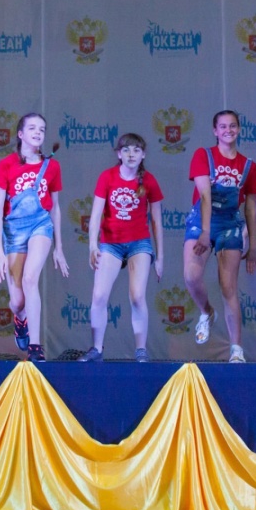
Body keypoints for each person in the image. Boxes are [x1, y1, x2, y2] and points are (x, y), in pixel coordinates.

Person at [78, 133, 164, 363]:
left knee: (137, 296)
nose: (131, 154)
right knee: (99, 295)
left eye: (136, 150)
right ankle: (97, 349)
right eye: (126, 150)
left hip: (139, 243)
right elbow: (95, 215)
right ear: (118, 154)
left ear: (143, 154)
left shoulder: (149, 181)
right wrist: (93, 245)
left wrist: (160, 257)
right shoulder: (107, 177)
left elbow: (157, 221)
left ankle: (141, 350)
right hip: (110, 243)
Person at [0, 112, 69, 362]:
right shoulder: (6, 165)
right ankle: (20, 318)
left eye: (42, 129)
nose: (38, 132)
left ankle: (35, 346)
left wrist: (59, 247)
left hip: (40, 225)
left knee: (30, 278)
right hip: (14, 231)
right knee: (17, 301)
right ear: (21, 134)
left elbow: (55, 208)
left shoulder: (52, 166)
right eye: (32, 128)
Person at [183, 110, 256, 363]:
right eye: (223, 126)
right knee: (191, 276)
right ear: (215, 131)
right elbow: (205, 195)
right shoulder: (203, 155)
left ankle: (236, 349)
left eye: (233, 126)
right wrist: (205, 232)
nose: (229, 130)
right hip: (202, 222)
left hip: (229, 225)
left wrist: (254, 246)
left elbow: (250, 209)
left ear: (239, 129)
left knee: (229, 288)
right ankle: (206, 312)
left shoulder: (249, 166)